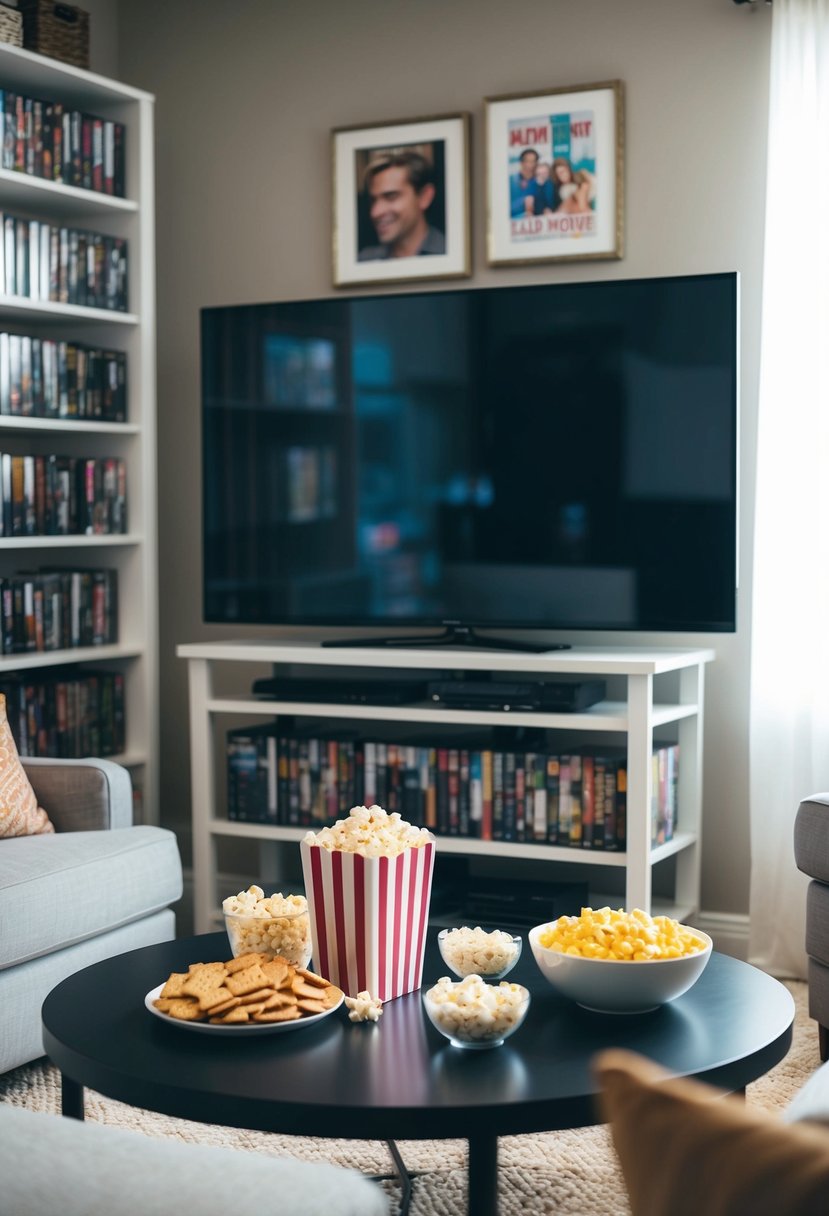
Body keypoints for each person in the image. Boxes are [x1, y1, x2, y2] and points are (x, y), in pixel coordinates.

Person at [358, 150, 445, 260]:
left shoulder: (452, 254)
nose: (375, 212)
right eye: (373, 200)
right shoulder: (365, 261)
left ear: (424, 197)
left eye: (391, 196)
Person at [509, 148, 540, 219]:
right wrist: (524, 201)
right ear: (521, 162)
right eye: (527, 161)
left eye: (533, 161)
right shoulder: (511, 180)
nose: (531, 165)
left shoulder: (539, 181)